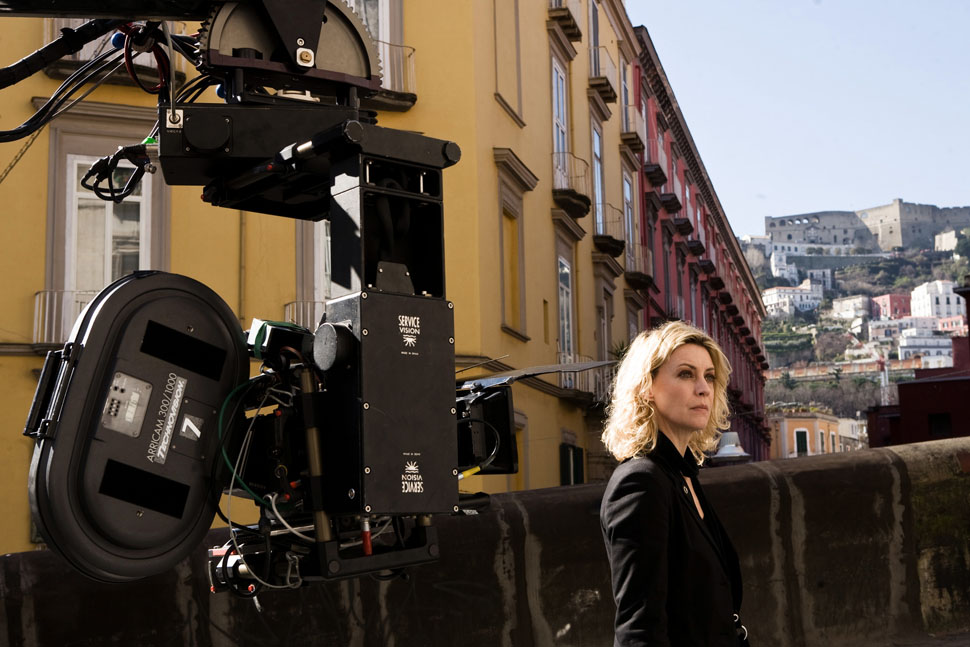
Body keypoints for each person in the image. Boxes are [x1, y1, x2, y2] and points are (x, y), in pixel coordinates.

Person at [600, 321, 749, 646]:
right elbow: (639, 630)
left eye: (709, 376)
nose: (703, 388)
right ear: (646, 387)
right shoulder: (641, 483)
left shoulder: (683, 476)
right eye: (685, 374)